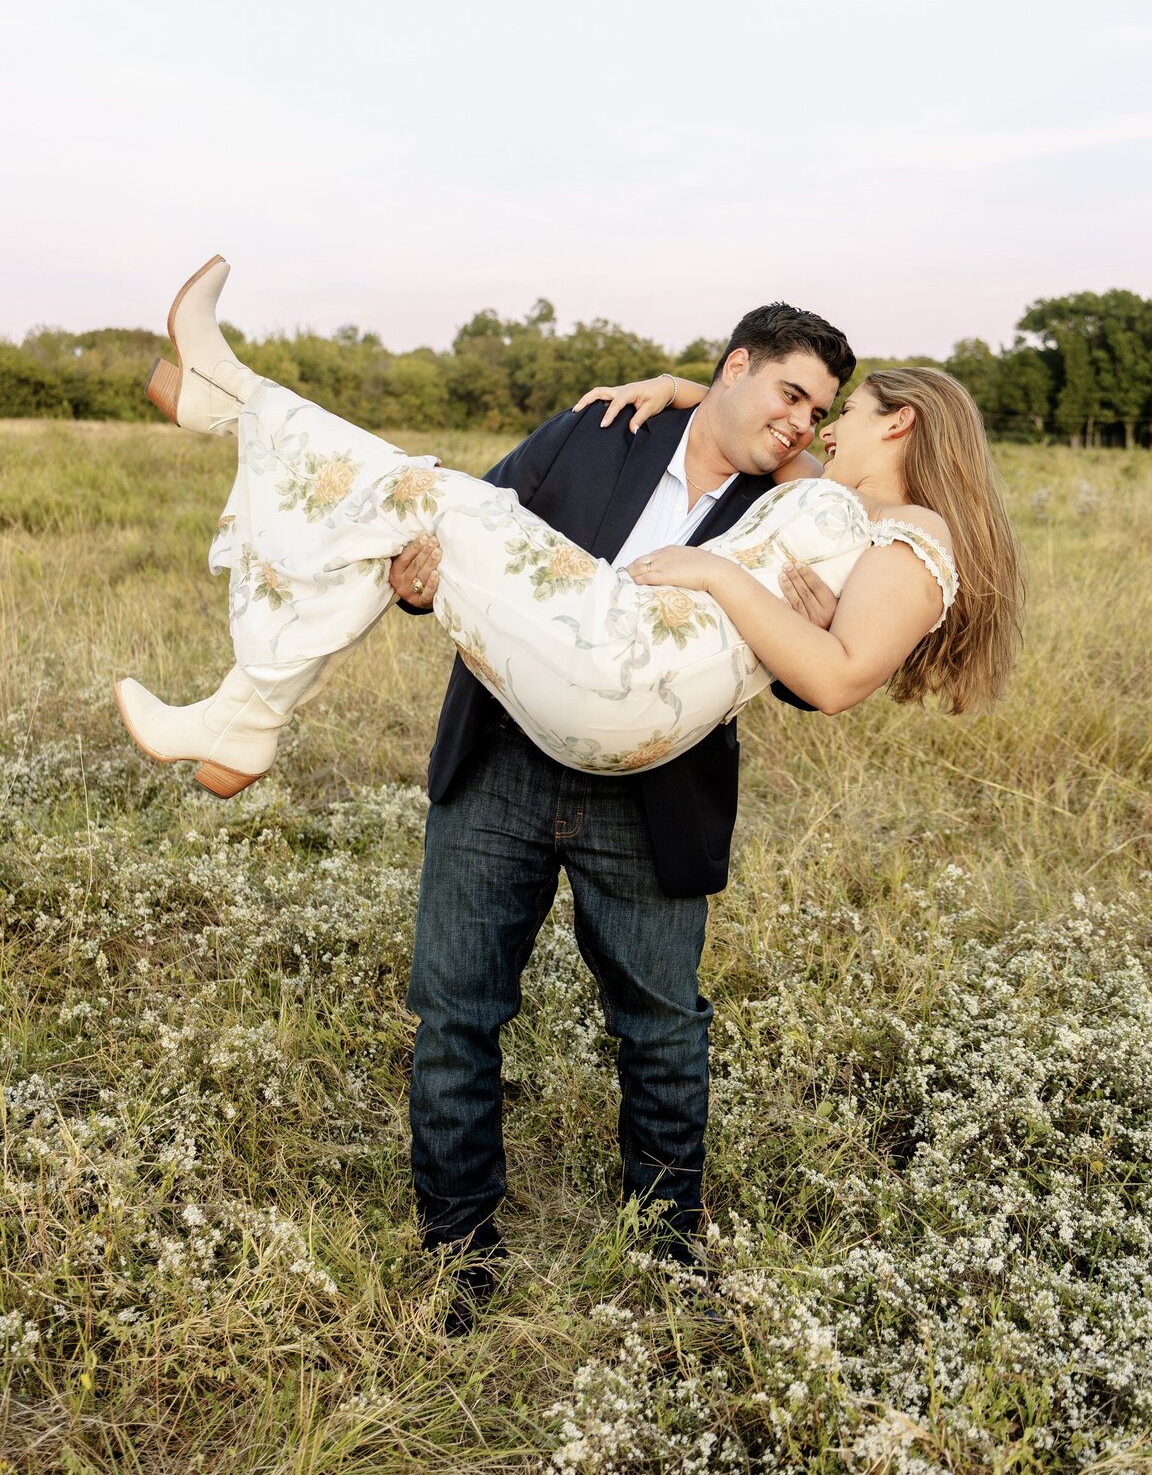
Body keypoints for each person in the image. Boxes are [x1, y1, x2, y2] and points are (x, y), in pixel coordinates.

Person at [116, 256, 1022, 1317]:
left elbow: (808, 669)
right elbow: (451, 560)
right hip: (503, 755)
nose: (808, 428)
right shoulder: (605, 429)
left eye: (829, 411)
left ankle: (665, 1260)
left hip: (653, 782)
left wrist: (745, 579)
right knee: (456, 1011)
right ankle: (460, 1259)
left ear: (892, 425)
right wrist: (417, 585)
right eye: (791, 398)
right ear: (732, 367)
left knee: (662, 1027)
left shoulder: (812, 499)